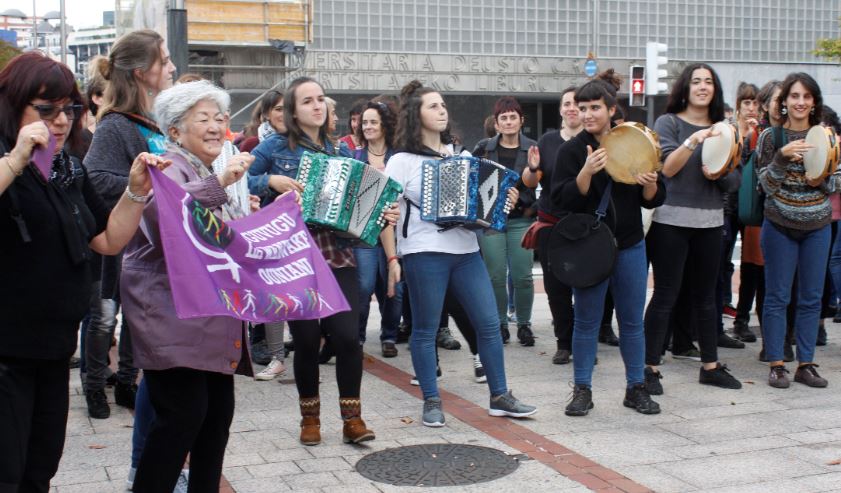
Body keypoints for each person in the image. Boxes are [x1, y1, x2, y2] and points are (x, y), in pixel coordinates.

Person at [0, 51, 167, 493]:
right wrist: (17, 158)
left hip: (53, 349)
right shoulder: (9, 160)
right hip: (7, 352)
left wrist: (135, 192)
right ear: (12, 105)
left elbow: (109, 239)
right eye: (45, 109)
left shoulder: (67, 167)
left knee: (40, 469)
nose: (60, 121)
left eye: (70, 109)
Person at [124, 80, 256, 492]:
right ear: (175, 130)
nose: (217, 126)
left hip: (211, 320)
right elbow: (164, 220)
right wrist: (221, 185)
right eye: (204, 119)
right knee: (181, 420)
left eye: (220, 118)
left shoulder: (208, 172)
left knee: (215, 421)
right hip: (172, 319)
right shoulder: (165, 166)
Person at [249, 77, 396, 445]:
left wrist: (383, 212)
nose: (317, 106)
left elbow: (361, 207)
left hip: (336, 253)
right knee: (307, 337)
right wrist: (273, 180)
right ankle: (309, 418)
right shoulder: (274, 146)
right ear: (294, 110)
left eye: (320, 100)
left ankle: (353, 418)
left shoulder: (341, 153)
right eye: (307, 101)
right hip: (294, 255)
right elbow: (242, 180)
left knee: (348, 338)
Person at [385, 80, 537, 427]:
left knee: (488, 323)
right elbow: (386, 213)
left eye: (443, 106)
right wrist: (393, 259)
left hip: (467, 251)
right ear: (416, 115)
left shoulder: (462, 154)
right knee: (425, 329)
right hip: (424, 252)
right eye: (433, 106)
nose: (442, 111)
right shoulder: (402, 162)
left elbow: (487, 203)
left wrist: (506, 200)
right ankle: (431, 400)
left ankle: (500, 396)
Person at [550, 71, 665, 416]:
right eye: (582, 108)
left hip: (629, 244)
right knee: (586, 321)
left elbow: (653, 198)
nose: (587, 114)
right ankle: (582, 389)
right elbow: (561, 199)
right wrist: (586, 171)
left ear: (612, 109)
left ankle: (636, 387)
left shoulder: (635, 140)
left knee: (631, 321)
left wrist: (649, 184)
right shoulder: (572, 150)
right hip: (590, 248)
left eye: (595, 107)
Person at [84, 29, 176, 420]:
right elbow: (96, 179)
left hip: (150, 252)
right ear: (141, 72)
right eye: (165, 59)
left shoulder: (151, 123)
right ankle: (95, 388)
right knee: (108, 322)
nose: (172, 66)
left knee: (140, 333)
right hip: (123, 250)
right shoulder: (116, 124)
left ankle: (125, 381)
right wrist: (146, 186)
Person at [643, 63, 743, 394]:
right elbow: (667, 169)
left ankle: (710, 366)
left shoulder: (726, 129)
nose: (702, 86)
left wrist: (719, 173)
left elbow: (733, 180)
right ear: (685, 87)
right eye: (696, 81)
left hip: (711, 223)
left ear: (715, 90)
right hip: (670, 222)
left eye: (708, 82)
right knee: (666, 294)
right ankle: (649, 368)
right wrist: (694, 140)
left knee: (706, 297)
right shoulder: (668, 122)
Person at [757, 72, 832, 389]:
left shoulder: (827, 136)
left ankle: (806, 363)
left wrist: (821, 178)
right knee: (777, 296)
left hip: (817, 225)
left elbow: (836, 183)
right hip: (779, 223)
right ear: (784, 101)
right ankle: (776, 364)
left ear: (814, 101)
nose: (800, 102)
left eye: (806, 96)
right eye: (794, 96)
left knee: (811, 297)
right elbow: (765, 186)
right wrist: (781, 159)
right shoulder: (771, 137)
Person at [523, 86, 582, 364]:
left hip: (584, 226)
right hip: (550, 223)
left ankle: (584, 341)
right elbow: (530, 182)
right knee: (556, 287)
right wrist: (533, 168)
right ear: (560, 109)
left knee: (584, 285)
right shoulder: (547, 141)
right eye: (567, 103)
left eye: (577, 104)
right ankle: (564, 343)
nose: (572, 108)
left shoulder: (593, 140)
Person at [473, 96, 538, 346]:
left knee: (523, 276)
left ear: (521, 121)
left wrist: (519, 199)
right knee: (495, 275)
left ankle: (524, 324)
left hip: (522, 219)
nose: (509, 122)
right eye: (504, 118)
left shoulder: (533, 147)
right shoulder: (484, 147)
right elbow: (474, 181)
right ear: (497, 123)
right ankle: (500, 323)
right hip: (491, 221)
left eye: (513, 117)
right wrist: (498, 198)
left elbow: (538, 183)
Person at [351, 99, 404, 357]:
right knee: (363, 286)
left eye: (374, 122)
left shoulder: (399, 156)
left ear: (386, 125)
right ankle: (357, 337)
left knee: (393, 288)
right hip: (364, 235)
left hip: (396, 233)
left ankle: (389, 337)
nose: (368, 126)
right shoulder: (355, 157)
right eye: (365, 123)